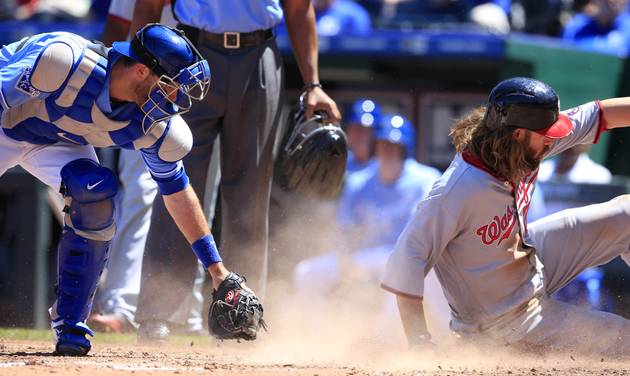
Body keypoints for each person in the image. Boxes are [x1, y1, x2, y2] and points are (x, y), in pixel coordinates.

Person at [0, 23, 247, 356]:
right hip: (8, 124)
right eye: (170, 86)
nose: (175, 98)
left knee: (96, 193)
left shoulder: (156, 126)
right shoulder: (64, 61)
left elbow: (177, 193)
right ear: (141, 70)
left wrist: (217, 270)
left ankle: (70, 323)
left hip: (56, 141)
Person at [129, 0, 341, 341]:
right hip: (189, 55)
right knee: (176, 183)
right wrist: (138, 75)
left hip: (259, 55)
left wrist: (312, 84)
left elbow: (299, 8)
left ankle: (241, 318)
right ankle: (159, 313)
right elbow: (148, 6)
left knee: (250, 197)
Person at [382, 77, 630, 357]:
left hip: (528, 259)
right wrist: (419, 341)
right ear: (518, 134)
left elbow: (602, 114)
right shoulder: (458, 187)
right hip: (501, 322)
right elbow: (407, 257)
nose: (555, 137)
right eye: (546, 132)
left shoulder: (526, 143)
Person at [88, 0, 206, 335]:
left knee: (194, 193)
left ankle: (191, 311)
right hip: (142, 94)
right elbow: (116, 27)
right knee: (140, 192)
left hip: (188, 89)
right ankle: (123, 305)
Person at [294, 114, 450, 341]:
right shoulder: (360, 181)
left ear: (406, 150)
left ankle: (390, 343)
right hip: (364, 257)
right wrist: (345, 258)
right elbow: (343, 229)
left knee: (409, 271)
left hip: (403, 257)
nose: (389, 151)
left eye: (396, 146)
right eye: (384, 145)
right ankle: (310, 338)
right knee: (307, 272)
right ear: (376, 147)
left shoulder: (425, 179)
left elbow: (424, 233)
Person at [345, 98, 380, 175]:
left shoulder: (385, 166)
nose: (359, 135)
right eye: (355, 128)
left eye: (365, 129)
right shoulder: (340, 161)